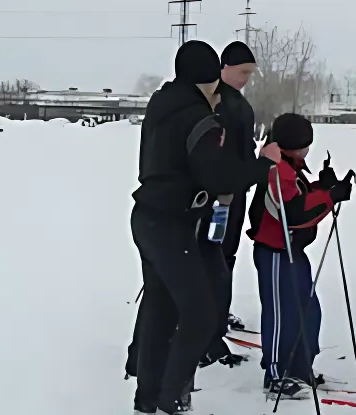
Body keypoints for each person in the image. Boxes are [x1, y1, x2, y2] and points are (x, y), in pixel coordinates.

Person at [129, 40, 282, 415]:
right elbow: (220, 177)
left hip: (151, 217)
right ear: (208, 80)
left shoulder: (163, 103)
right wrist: (264, 163)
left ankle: (148, 397)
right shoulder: (198, 118)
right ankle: (170, 396)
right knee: (200, 314)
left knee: (161, 308)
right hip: (172, 224)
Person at [247, 113, 353, 400]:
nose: (308, 150)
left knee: (307, 311)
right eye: (305, 145)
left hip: (293, 251)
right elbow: (293, 212)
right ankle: (276, 375)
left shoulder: (290, 167)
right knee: (281, 315)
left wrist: (324, 187)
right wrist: (330, 196)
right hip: (274, 252)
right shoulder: (276, 169)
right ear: (292, 146)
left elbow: (300, 196)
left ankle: (299, 367)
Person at [216, 41, 259, 331]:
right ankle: (207, 314)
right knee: (214, 253)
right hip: (218, 194)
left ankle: (221, 308)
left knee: (227, 251)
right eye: (243, 72)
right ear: (225, 67)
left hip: (237, 191)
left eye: (250, 73)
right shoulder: (214, 100)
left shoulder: (241, 104)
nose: (247, 79)